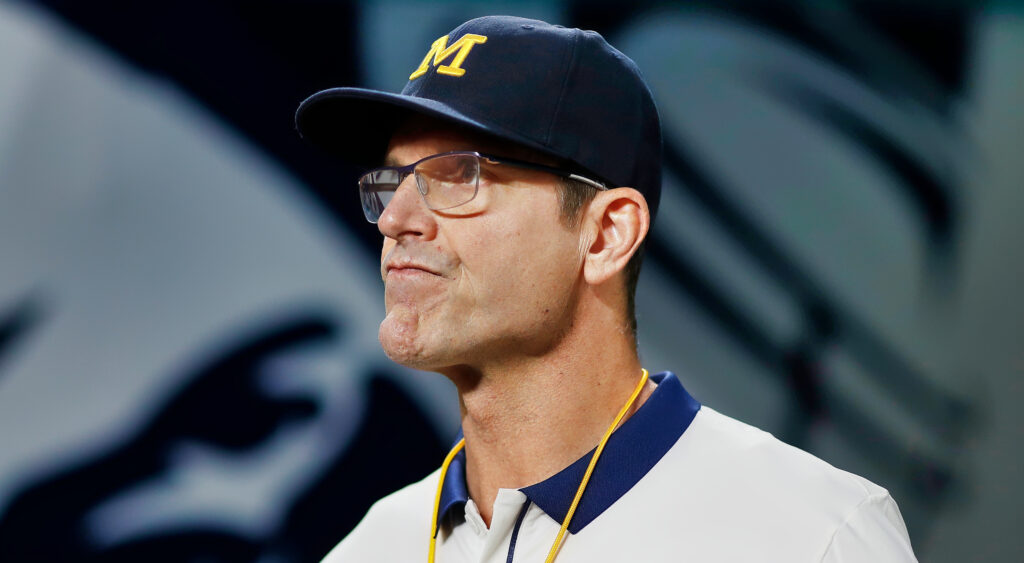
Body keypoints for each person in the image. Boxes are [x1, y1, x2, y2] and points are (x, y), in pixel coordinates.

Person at [295, 15, 918, 563]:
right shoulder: (372, 547)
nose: (396, 218)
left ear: (605, 236)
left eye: (458, 174)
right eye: (391, 180)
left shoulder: (815, 537)